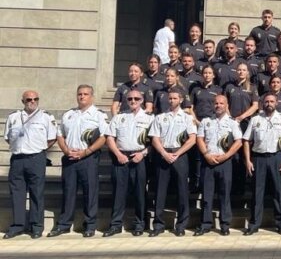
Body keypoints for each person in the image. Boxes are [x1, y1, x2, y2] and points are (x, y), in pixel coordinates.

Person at [48, 85, 108, 238]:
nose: (82, 97)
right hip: (70, 158)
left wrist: (86, 152)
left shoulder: (98, 115)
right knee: (68, 192)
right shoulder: (69, 114)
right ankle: (64, 225)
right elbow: (60, 135)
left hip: (88, 158)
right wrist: (66, 150)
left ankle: (90, 225)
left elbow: (104, 137)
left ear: (91, 97)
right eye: (80, 94)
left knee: (90, 193)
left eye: (85, 94)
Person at [4, 90, 56, 239]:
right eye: (28, 100)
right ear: (23, 102)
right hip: (17, 159)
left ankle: (36, 226)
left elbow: (51, 138)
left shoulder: (46, 117)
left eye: (35, 99)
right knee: (17, 194)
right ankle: (17, 226)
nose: (32, 101)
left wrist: (37, 148)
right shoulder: (13, 117)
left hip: (36, 158)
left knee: (37, 193)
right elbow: (8, 138)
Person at [243, 93, 281, 236]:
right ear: (262, 103)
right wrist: (248, 160)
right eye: (266, 101)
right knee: (257, 193)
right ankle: (254, 224)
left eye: (272, 101)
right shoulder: (255, 120)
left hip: (277, 158)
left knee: (279, 193)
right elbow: (246, 140)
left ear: (277, 103)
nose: (269, 104)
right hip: (258, 159)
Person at [103, 89, 153, 237]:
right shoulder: (119, 117)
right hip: (121, 158)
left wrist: (142, 154)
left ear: (142, 100)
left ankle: (140, 224)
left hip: (139, 158)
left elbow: (155, 142)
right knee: (118, 192)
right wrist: (118, 154)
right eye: (130, 99)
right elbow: (110, 138)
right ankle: (115, 225)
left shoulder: (150, 119)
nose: (133, 101)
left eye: (136, 99)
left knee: (139, 193)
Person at [149, 90, 197, 237]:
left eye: (175, 98)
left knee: (182, 190)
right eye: (170, 98)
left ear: (181, 100)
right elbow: (154, 138)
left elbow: (192, 139)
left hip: (179, 155)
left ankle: (181, 225)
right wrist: (164, 153)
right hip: (163, 155)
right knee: (160, 190)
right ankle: (158, 225)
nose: (171, 100)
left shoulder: (187, 118)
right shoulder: (160, 117)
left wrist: (178, 153)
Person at [195, 95, 243, 236]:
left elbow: (238, 141)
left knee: (224, 194)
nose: (218, 105)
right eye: (216, 103)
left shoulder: (232, 122)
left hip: (225, 162)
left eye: (222, 103)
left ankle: (224, 224)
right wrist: (206, 155)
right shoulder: (206, 121)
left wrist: (226, 156)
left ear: (226, 105)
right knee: (206, 195)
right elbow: (199, 138)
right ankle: (205, 224)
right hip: (208, 162)